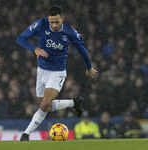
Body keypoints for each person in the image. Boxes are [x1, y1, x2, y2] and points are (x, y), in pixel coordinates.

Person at [16, 5, 97, 141]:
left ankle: (25, 135)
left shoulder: (70, 33)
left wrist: (89, 67)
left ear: (62, 19)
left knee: (44, 104)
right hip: (41, 71)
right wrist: (35, 49)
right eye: (51, 22)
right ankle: (74, 103)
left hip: (57, 73)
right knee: (46, 106)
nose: (53, 25)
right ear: (48, 19)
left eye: (57, 22)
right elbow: (20, 38)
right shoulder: (40, 24)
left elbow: (82, 49)